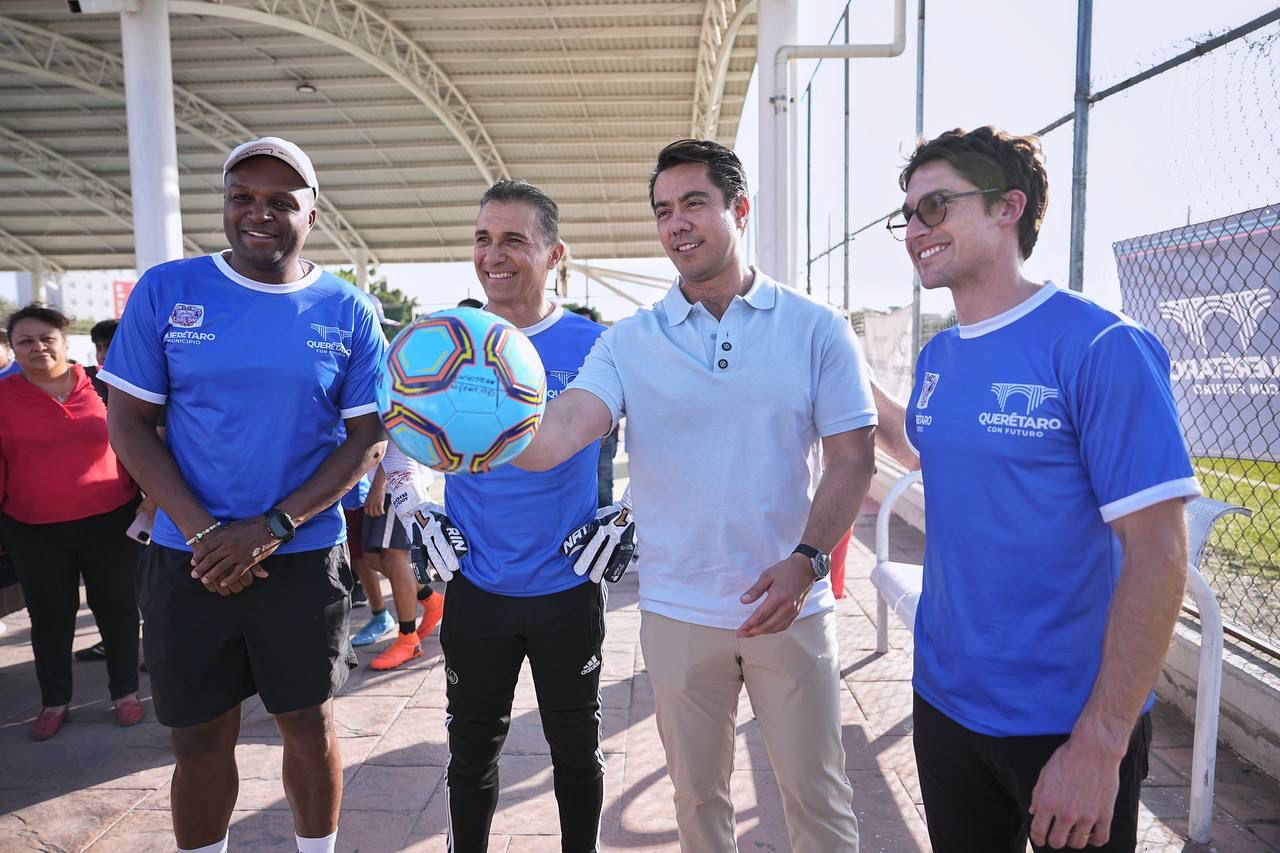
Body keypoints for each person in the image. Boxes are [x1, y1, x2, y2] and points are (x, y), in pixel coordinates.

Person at [514, 139, 874, 852]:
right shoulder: (631, 342)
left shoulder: (816, 327)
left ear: (739, 209)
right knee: (698, 804)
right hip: (677, 610)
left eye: (694, 204)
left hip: (791, 608)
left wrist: (805, 561)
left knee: (819, 803)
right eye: (663, 210)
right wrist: (464, 432)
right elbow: (562, 430)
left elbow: (853, 457)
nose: (676, 223)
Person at [880, 126, 1199, 853]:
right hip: (945, 705)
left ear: (1007, 208)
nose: (915, 229)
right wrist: (847, 385)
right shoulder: (939, 354)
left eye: (936, 206)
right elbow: (929, 448)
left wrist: (1102, 741)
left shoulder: (1099, 346)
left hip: (1066, 723)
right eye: (907, 215)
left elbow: (1159, 553)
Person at [100, 136, 388, 853]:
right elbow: (129, 423)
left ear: (312, 214)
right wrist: (203, 532)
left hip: (299, 554)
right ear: (225, 205)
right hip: (188, 557)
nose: (259, 213)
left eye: (281, 201)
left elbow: (367, 438)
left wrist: (273, 525)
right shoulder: (168, 290)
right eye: (242, 198)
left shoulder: (349, 309)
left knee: (307, 724)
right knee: (198, 735)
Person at [385, 179, 634, 853]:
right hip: (478, 587)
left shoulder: (599, 344)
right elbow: (396, 434)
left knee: (577, 751)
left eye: (514, 240)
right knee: (469, 754)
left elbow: (661, 438)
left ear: (556, 255)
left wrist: (629, 512)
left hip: (567, 591)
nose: (494, 255)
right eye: (483, 238)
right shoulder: (446, 337)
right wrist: (415, 505)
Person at [0, 305, 145, 740]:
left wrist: (152, 500)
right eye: (25, 341)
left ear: (66, 342)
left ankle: (126, 694)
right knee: (50, 617)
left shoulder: (104, 387)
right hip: (33, 528)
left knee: (118, 610)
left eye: (47, 338)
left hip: (111, 521)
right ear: (12, 349)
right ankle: (54, 701)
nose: (38, 347)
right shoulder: (4, 397)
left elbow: (140, 444)